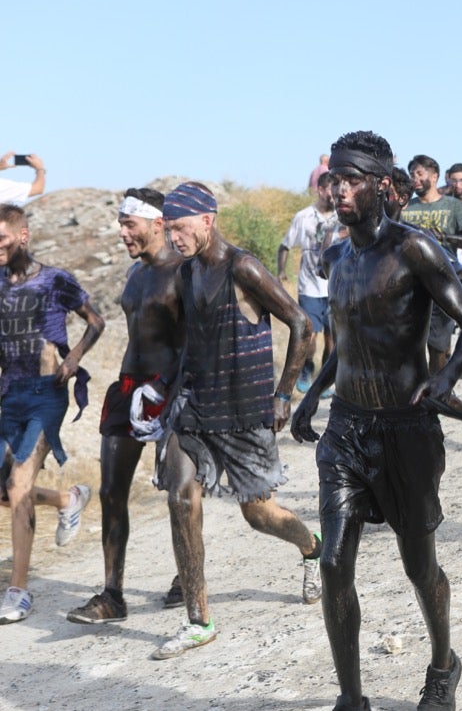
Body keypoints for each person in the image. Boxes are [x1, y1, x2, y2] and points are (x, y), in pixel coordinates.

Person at [290, 130, 462, 711]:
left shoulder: (414, 250)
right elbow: (346, 345)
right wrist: (310, 397)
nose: (340, 190)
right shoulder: (337, 259)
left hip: (407, 431)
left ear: (381, 186)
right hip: (348, 430)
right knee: (332, 564)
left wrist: (445, 379)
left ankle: (444, 665)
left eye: (352, 181)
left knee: (418, 564)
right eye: (334, 180)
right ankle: (351, 699)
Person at [153, 182, 322, 660]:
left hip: (246, 413)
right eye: (169, 231)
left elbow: (302, 323)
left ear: (207, 220)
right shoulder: (186, 275)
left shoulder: (242, 267)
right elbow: (194, 340)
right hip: (196, 410)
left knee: (259, 514)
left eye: (181, 229)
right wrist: (169, 401)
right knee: (180, 500)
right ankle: (198, 621)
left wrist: (284, 394)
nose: (175, 239)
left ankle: (313, 548)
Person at [67, 188, 186, 625]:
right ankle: (112, 595)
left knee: (180, 493)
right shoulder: (137, 275)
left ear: (157, 223)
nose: (121, 232)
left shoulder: (184, 272)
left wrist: (172, 393)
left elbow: (195, 341)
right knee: (111, 491)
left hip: (169, 391)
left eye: (128, 223)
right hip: (128, 387)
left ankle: (186, 576)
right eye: (120, 223)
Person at [0, 203, 102, 624]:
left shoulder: (55, 279)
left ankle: (18, 592)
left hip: (47, 394)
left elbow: (95, 321)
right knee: (2, 488)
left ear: (22, 236)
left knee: (19, 484)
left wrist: (74, 357)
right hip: (8, 396)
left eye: (2, 238)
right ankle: (68, 498)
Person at [401, 156, 462, 458]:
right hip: (410, 299)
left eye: (419, 173)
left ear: (433, 175)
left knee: (438, 378)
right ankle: (427, 436)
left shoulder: (453, 207)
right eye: (411, 174)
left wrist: (442, 237)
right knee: (412, 375)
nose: (414, 178)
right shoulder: (406, 210)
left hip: (441, 298)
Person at [278, 172, 340, 394]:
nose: (336, 194)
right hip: (310, 287)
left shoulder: (344, 217)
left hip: (335, 287)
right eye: (332, 189)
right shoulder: (304, 217)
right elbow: (285, 245)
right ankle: (307, 367)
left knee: (332, 336)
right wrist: (281, 272)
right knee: (310, 333)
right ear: (321, 190)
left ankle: (326, 378)